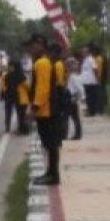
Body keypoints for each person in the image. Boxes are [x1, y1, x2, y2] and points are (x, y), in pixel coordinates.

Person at [28, 35, 61, 185]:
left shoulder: (42, 62)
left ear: (40, 45)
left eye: (33, 45)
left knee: (50, 144)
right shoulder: (43, 61)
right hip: (47, 109)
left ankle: (53, 176)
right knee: (49, 144)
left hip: (46, 110)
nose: (30, 49)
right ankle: (51, 172)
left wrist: (34, 107)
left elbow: (43, 88)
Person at [66, 58, 85, 140]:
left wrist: (79, 97)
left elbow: (79, 89)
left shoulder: (74, 76)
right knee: (74, 117)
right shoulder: (73, 76)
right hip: (71, 97)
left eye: (70, 65)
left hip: (72, 98)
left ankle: (77, 134)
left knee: (74, 117)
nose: (68, 67)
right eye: (68, 65)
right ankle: (76, 134)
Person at [79, 46, 99, 116]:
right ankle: (90, 110)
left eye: (84, 52)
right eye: (82, 52)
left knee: (91, 97)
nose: (82, 53)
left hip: (91, 82)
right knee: (88, 97)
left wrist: (97, 79)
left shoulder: (91, 59)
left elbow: (95, 69)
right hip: (86, 82)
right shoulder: (85, 60)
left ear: (87, 52)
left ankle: (91, 111)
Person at [92, 44, 108, 114]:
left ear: (96, 51)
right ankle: (99, 109)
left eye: (94, 51)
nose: (93, 52)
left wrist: (98, 79)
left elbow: (99, 70)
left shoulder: (98, 58)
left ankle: (100, 110)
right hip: (101, 79)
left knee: (99, 94)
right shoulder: (100, 57)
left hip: (99, 79)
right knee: (100, 94)